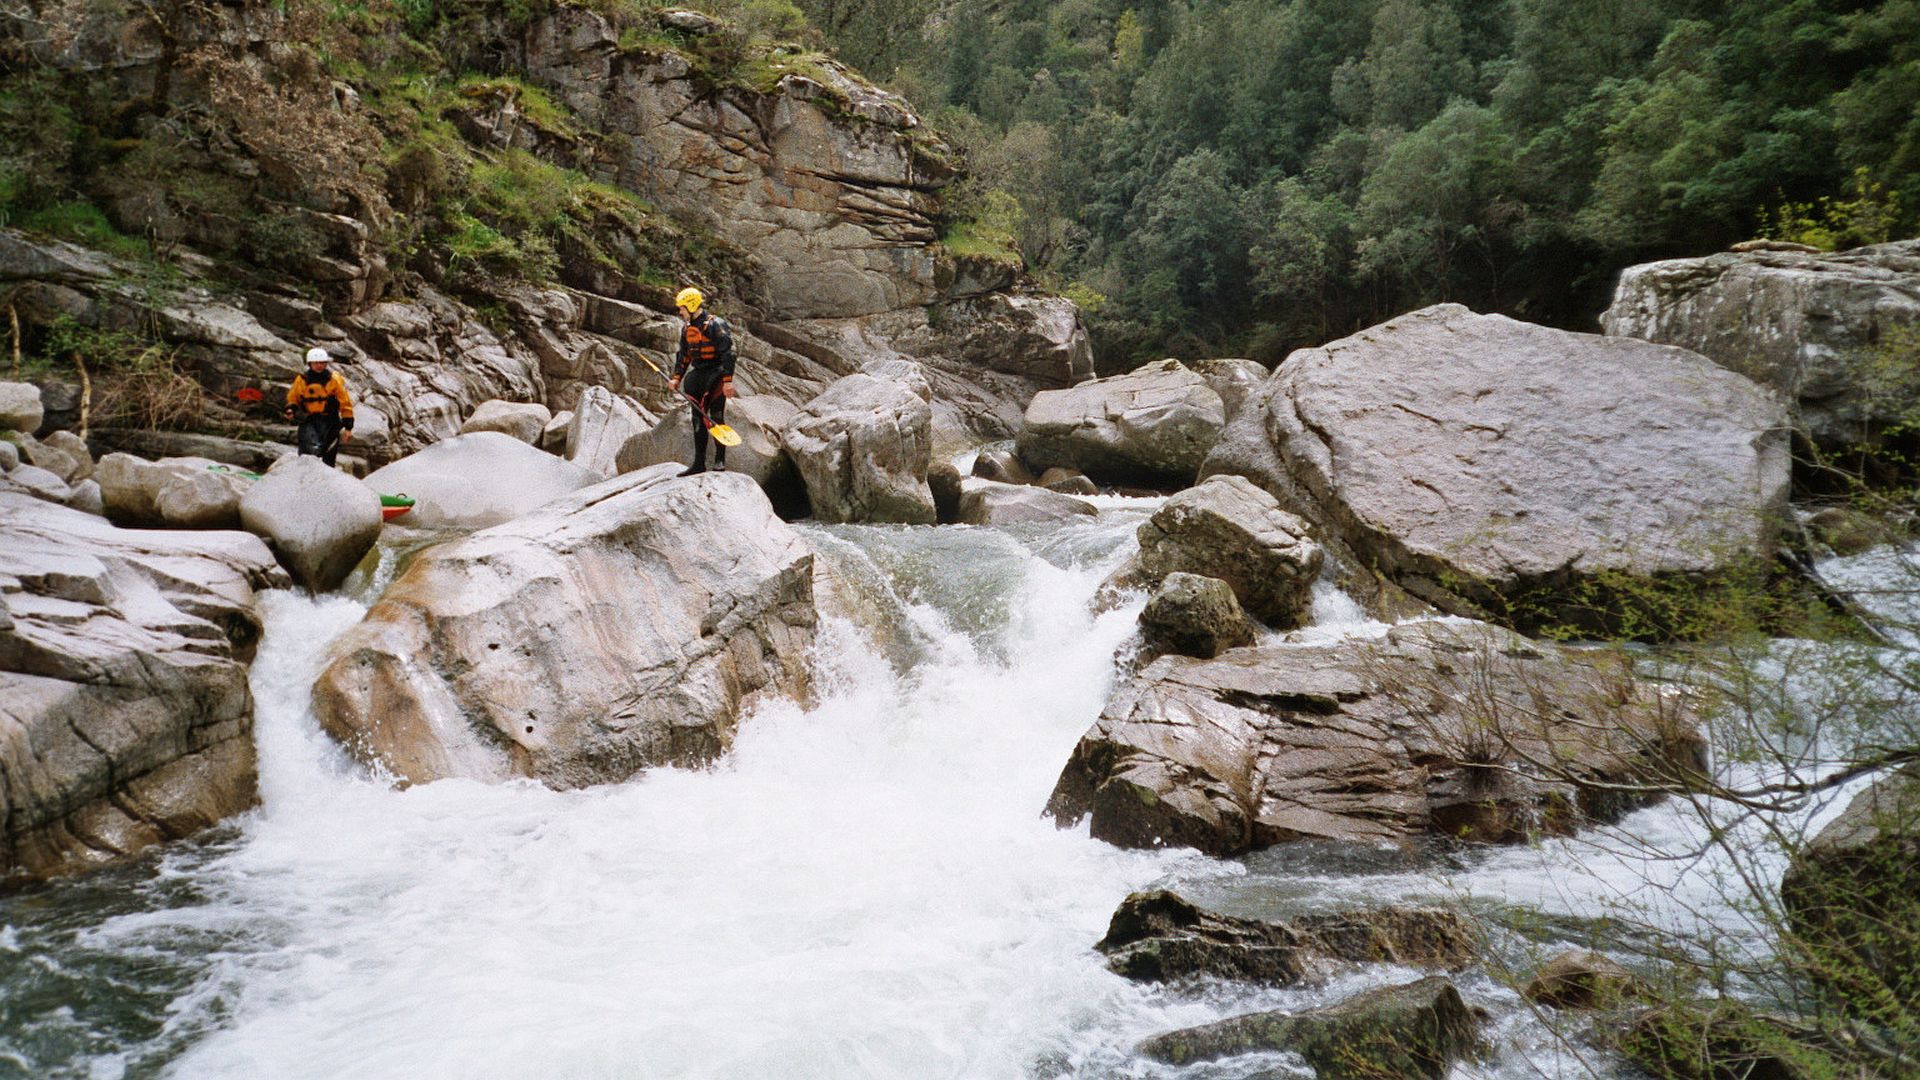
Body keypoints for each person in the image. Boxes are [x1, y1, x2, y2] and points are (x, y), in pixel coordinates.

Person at [668, 286, 736, 476]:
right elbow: (683, 356)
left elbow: (728, 354)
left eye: (682, 308)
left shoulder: (716, 324)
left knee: (716, 417)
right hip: (698, 376)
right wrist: (676, 378)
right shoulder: (687, 328)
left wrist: (728, 381)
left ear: (690, 305)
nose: (680, 312)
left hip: (716, 375)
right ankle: (699, 463)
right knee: (697, 419)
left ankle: (720, 461)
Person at [284, 346, 354, 467]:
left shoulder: (334, 380)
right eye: (316, 363)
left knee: (329, 457)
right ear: (310, 363)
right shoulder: (302, 380)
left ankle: (326, 483)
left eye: (322, 363)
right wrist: (290, 409)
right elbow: (293, 397)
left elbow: (345, 403)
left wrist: (348, 427)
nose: (319, 366)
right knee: (307, 455)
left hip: (330, 422)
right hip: (309, 421)